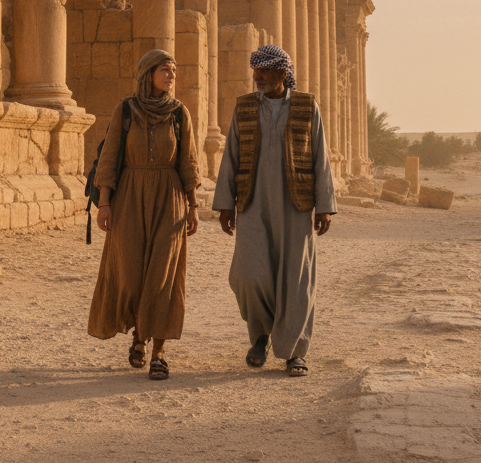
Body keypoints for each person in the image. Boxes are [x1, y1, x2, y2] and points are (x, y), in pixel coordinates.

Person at [213, 44, 335, 377]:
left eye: (264, 71)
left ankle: (294, 351)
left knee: (295, 278)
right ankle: (261, 334)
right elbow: (231, 157)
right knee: (249, 275)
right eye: (256, 71)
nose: (258, 77)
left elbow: (320, 157)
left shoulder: (307, 107)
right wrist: (225, 204)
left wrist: (324, 206)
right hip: (252, 203)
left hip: (296, 204)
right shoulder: (245, 108)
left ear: (282, 73)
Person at [87, 49, 200, 380]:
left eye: (174, 70)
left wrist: (193, 207)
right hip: (130, 199)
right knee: (132, 274)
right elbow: (109, 159)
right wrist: (104, 204)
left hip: (171, 199)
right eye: (164, 69)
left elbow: (189, 163)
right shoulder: (125, 110)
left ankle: (158, 353)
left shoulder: (179, 114)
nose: (171, 75)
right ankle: (138, 336)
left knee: (163, 277)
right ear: (147, 73)